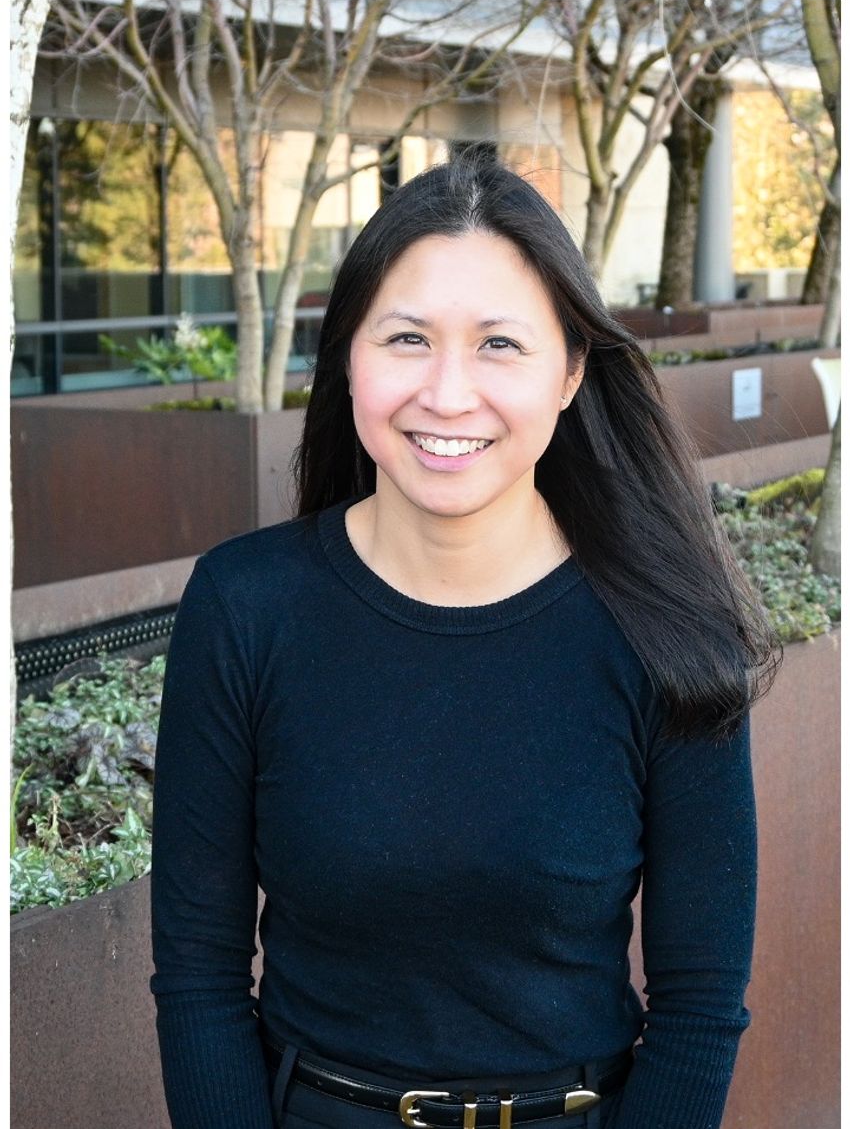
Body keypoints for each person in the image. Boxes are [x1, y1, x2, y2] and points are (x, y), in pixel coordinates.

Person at [150, 157, 778, 1129]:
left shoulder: (664, 627)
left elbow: (698, 1006)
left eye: (498, 344)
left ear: (569, 370)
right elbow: (197, 965)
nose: (447, 393)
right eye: (406, 338)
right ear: (349, 357)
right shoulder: (245, 605)